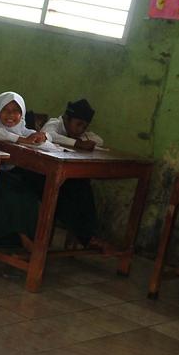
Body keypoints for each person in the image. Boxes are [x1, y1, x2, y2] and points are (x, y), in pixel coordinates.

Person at [0, 92, 48, 250]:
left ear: (21, 114)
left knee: (28, 194)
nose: (11, 115)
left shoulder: (20, 128)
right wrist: (23, 140)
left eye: (16, 111)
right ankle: (13, 239)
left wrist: (43, 137)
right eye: (6, 110)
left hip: (1, 174)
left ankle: (25, 238)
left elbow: (30, 134)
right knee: (8, 194)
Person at [41, 98, 108, 250]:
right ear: (66, 119)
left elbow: (99, 140)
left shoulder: (78, 134)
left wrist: (79, 138)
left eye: (84, 126)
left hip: (63, 177)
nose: (81, 130)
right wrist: (77, 143)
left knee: (83, 186)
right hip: (40, 175)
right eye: (78, 124)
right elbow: (48, 134)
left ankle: (90, 235)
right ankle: (86, 236)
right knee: (67, 194)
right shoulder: (54, 124)